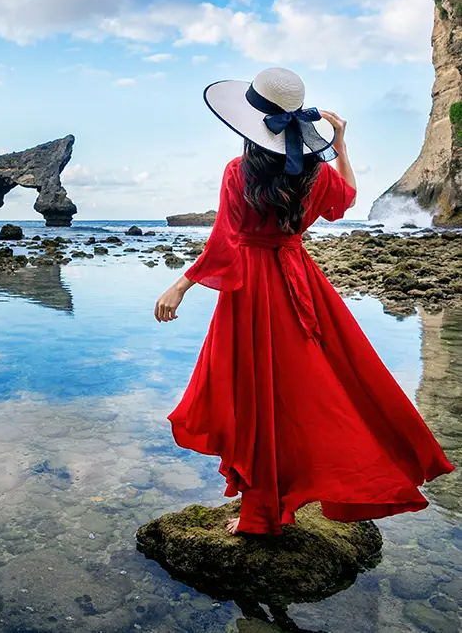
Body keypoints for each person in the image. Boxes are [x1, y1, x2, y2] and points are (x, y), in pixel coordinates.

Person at [154, 67, 454, 536]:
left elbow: (225, 241)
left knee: (254, 395)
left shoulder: (239, 170)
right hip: (301, 284)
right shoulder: (316, 172)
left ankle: (259, 514)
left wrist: (182, 284)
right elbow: (347, 199)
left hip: (252, 290)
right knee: (314, 391)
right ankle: (281, 501)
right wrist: (341, 146)